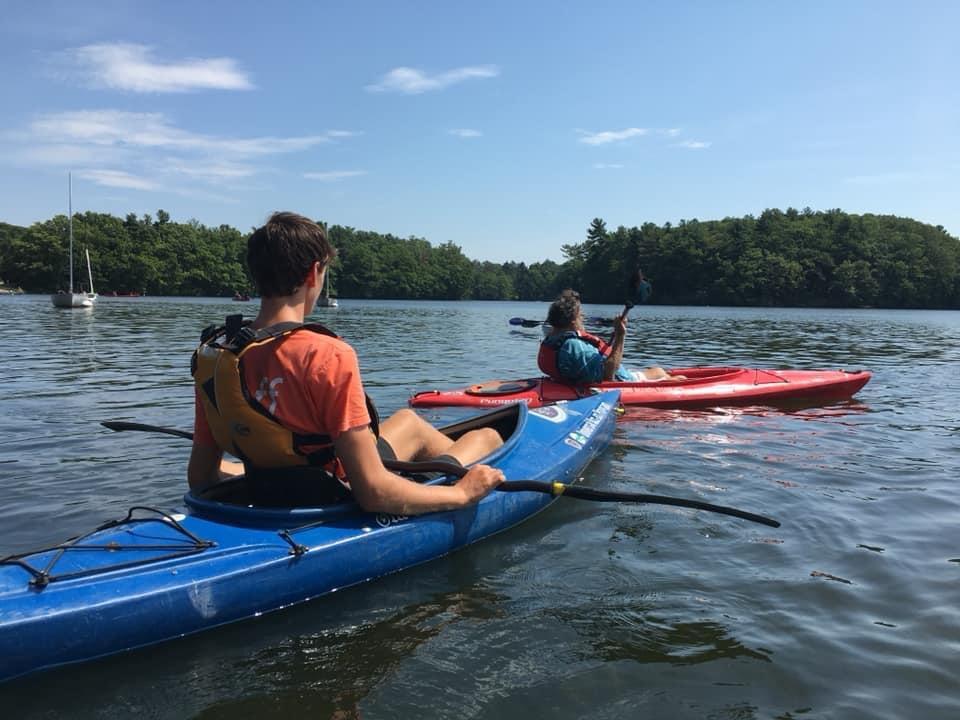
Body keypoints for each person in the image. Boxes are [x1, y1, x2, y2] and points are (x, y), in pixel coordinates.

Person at [188, 211, 504, 514]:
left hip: (265, 483)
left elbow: (202, 478)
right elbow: (372, 493)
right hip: (336, 492)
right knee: (487, 437)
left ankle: (438, 467)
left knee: (410, 421)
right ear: (313, 273)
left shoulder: (217, 354)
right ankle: (447, 477)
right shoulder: (327, 354)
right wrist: (461, 494)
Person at [537, 289, 683, 383]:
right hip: (623, 380)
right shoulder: (574, 346)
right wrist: (620, 335)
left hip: (569, 380)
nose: (583, 316)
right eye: (580, 314)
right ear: (573, 319)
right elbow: (608, 375)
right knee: (669, 375)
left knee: (657, 371)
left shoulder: (551, 339)